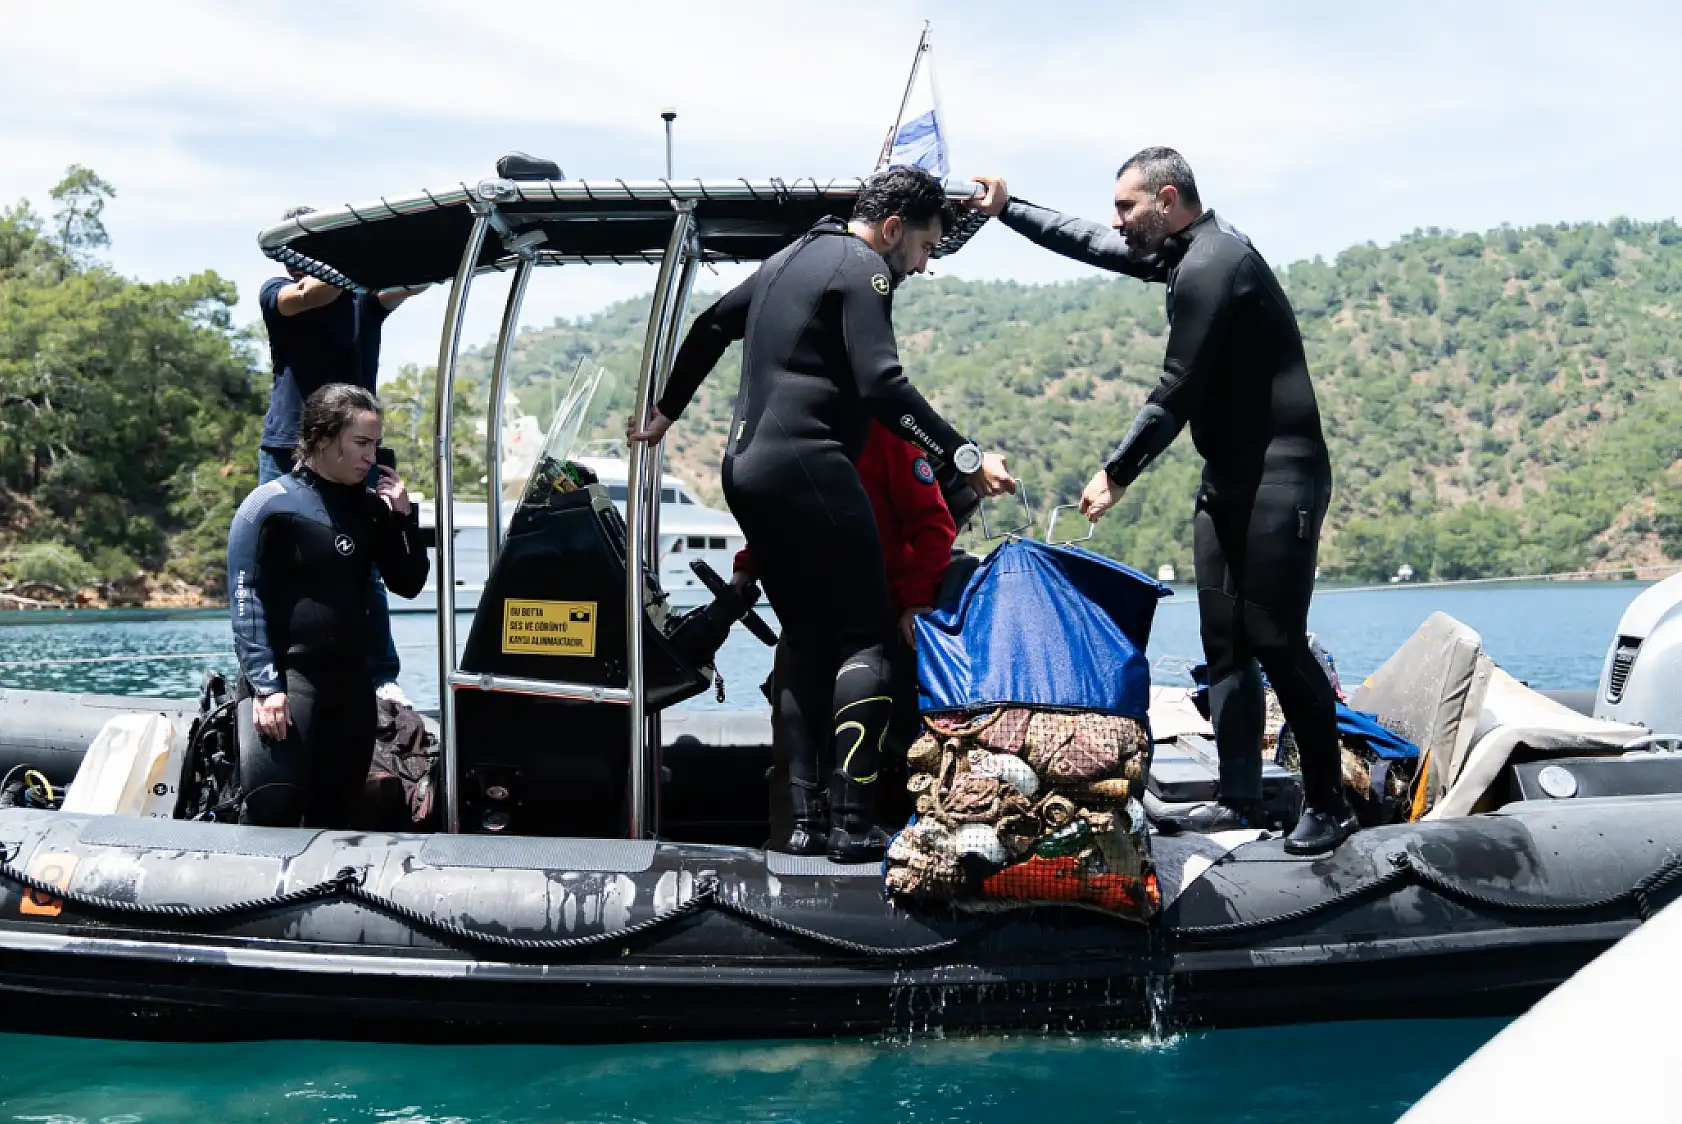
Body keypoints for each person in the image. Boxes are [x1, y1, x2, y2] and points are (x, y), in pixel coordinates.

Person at [969, 148, 1356, 856]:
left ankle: (1330, 805)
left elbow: (1177, 385)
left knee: (1275, 638)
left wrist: (1117, 471)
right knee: (1225, 642)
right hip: (1227, 479)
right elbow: (1092, 243)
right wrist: (1008, 210)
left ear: (1167, 198)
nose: (1117, 220)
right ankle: (1240, 796)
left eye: (1127, 207)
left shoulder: (1216, 262)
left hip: (1282, 477)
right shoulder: (1183, 253)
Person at [628, 166, 1015, 861]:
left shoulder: (788, 260)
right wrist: (964, 457)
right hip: (810, 465)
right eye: (925, 249)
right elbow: (883, 385)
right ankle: (854, 821)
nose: (923, 267)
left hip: (745, 469)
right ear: (892, 230)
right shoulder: (862, 267)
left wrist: (666, 410)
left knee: (805, 636)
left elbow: (714, 323)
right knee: (864, 637)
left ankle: (805, 823)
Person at [733, 419, 959, 840]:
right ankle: (833, 826)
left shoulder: (870, 437)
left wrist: (915, 601)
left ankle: (815, 825)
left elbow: (931, 527)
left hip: (864, 612)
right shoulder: (874, 434)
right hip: (831, 615)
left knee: (823, 673)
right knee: (812, 679)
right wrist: (748, 566)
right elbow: (775, 516)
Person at [228, 384, 430, 827]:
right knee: (273, 806)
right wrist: (266, 686)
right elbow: (246, 597)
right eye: (361, 442)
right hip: (289, 681)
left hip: (351, 685)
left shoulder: (371, 510)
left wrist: (402, 517)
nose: (371, 456)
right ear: (321, 437)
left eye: (375, 444)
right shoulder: (269, 505)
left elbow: (409, 582)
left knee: (339, 814)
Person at [258, 205, 425, 697]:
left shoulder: (363, 300)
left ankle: (382, 680)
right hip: (289, 448)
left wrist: (420, 255)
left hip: (358, 446)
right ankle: (271, 676)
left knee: (367, 563)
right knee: (276, 563)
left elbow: (411, 285)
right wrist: (344, 261)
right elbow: (312, 291)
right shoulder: (280, 294)